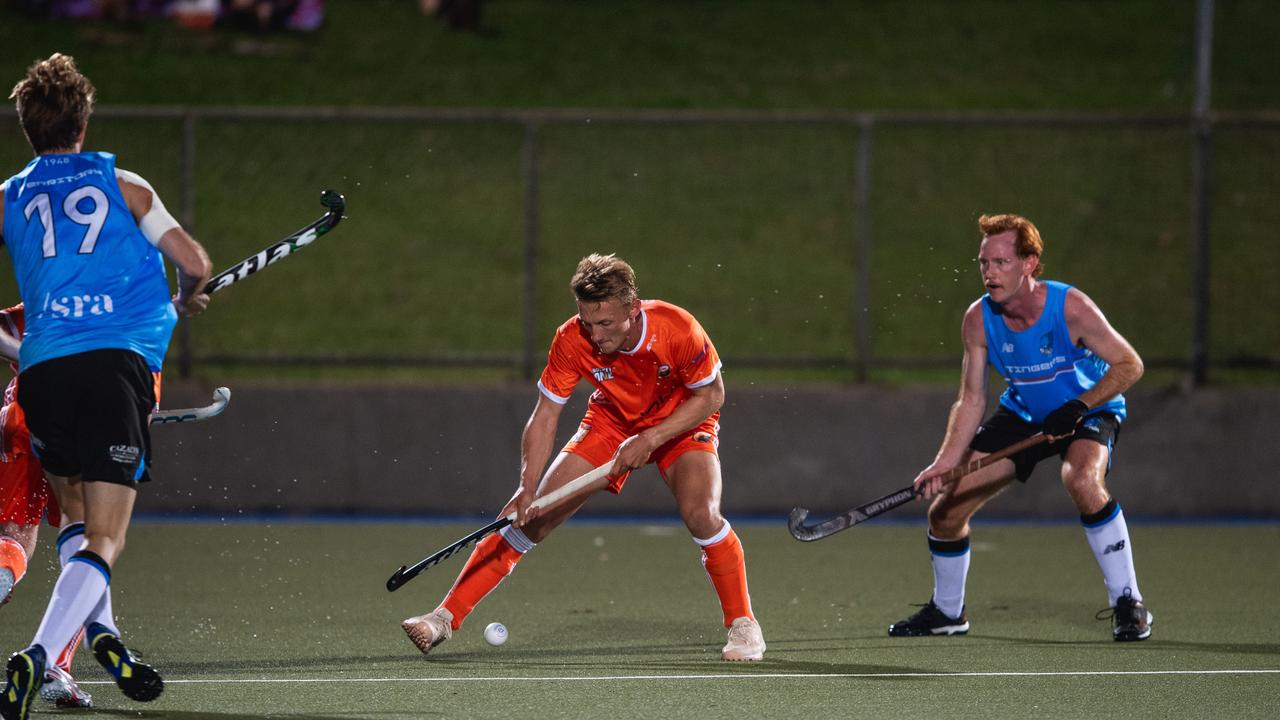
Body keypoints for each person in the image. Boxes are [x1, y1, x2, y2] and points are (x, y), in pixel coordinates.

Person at [401, 253, 766, 662]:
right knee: (532, 517)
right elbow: (545, 416)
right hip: (610, 422)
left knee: (701, 512)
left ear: (632, 308)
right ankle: (444, 617)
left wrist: (653, 437)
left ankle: (743, 623)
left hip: (679, 421)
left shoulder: (677, 328)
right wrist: (527, 487)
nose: (595, 335)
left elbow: (712, 395)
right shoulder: (571, 338)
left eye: (606, 323)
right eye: (588, 322)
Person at [0, 53, 212, 720]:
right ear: (83, 123)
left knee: (72, 511)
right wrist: (186, 295)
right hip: (116, 365)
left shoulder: (9, 196)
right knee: (107, 538)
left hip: (42, 373)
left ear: (28, 130)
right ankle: (38, 655)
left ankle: (100, 634)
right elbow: (197, 263)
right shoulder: (127, 187)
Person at [890, 213, 1151, 642]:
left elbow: (1130, 364)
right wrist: (943, 463)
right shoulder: (978, 319)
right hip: (1023, 415)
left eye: (1001, 262)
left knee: (1082, 480)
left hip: (1087, 411)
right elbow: (971, 400)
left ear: (1029, 263)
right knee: (946, 512)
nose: (989, 273)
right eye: (983, 263)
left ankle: (1128, 601)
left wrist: (1079, 405)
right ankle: (947, 613)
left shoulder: (1070, 307)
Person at [0, 303, 94, 710]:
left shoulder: (39, 297)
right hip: (72, 422)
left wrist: (25, 355)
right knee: (93, 542)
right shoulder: (110, 304)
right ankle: (55, 664)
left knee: (14, 538)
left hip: (16, 415)